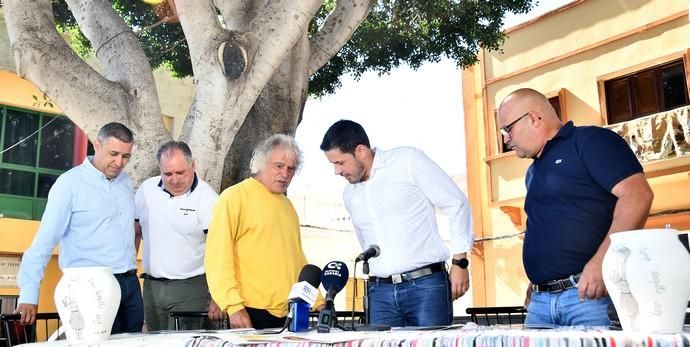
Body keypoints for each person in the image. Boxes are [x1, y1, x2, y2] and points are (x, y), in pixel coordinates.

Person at [497, 88, 654, 327]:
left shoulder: (590, 141)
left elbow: (637, 195)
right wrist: (538, 280)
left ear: (533, 119)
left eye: (507, 129)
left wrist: (603, 261)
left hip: (588, 297)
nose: (506, 139)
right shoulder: (533, 172)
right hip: (540, 302)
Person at [320, 120, 474, 327]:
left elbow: (456, 203)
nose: (337, 171)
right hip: (379, 293)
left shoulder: (407, 160)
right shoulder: (349, 194)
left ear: (361, 151)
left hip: (425, 287)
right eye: (333, 165)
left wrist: (460, 262)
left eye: (340, 163)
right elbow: (365, 241)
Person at [16, 122, 144, 333]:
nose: (119, 162)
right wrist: (29, 293)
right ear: (97, 145)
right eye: (113, 153)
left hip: (130, 285)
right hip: (90, 287)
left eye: (125, 156)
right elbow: (44, 242)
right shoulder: (69, 185)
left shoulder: (126, 183)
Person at [204, 134, 311, 329]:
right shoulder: (234, 197)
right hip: (248, 311)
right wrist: (233, 306)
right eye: (278, 166)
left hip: (287, 313)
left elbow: (297, 260)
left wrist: (317, 300)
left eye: (291, 169)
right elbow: (217, 257)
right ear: (261, 163)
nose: (285, 173)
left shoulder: (289, 207)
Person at [134, 141, 218, 331]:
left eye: (181, 173)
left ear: (193, 166)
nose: (174, 180)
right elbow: (135, 230)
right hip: (151, 286)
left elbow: (220, 249)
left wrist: (217, 296)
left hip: (191, 287)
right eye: (168, 174)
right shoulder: (147, 189)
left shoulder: (208, 198)